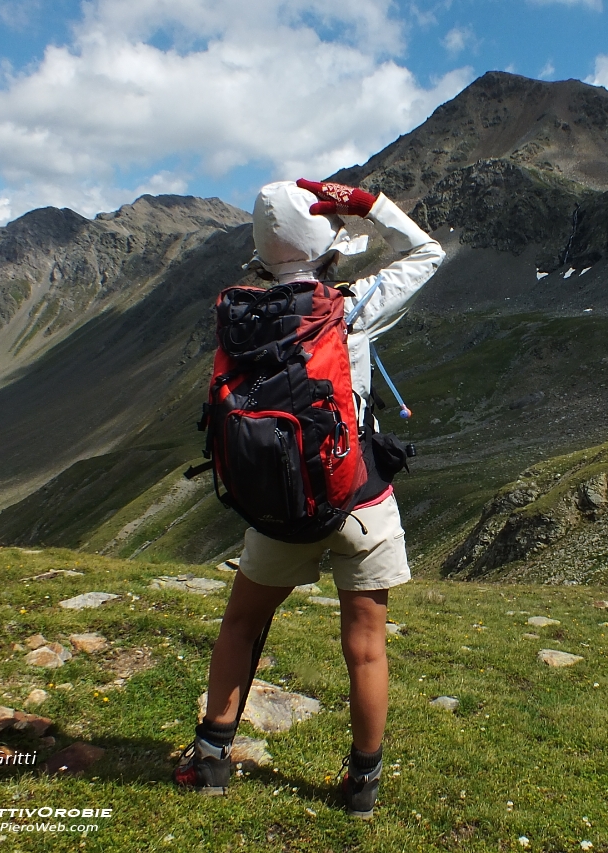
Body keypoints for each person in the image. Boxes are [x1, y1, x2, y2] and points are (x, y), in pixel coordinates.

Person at [174, 178, 444, 819]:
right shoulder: (346, 305)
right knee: (367, 644)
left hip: (277, 507)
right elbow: (426, 252)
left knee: (240, 624)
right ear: (327, 246)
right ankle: (362, 787)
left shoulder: (239, 319)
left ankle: (212, 759)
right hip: (358, 500)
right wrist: (370, 206)